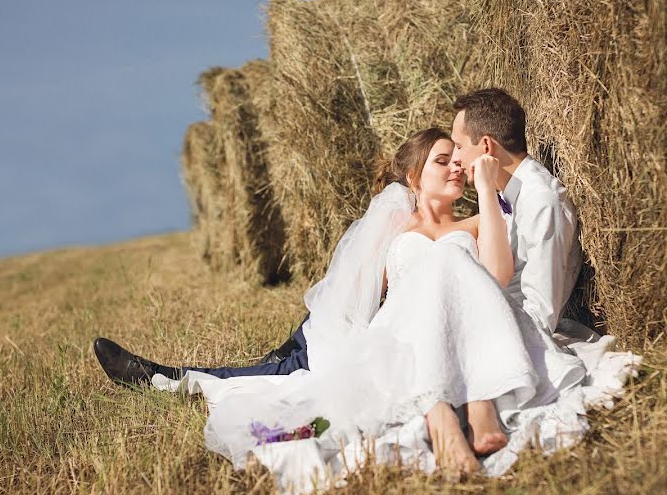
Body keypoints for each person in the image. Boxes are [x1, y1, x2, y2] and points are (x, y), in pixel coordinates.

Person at [93, 88, 582, 390]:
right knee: (298, 354)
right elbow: (355, 286)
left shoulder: (495, 215)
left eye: (458, 153)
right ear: (412, 180)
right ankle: (218, 368)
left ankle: (173, 379)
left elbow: (510, 283)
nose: (457, 161)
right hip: (366, 323)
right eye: (442, 158)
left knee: (290, 380)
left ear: (486, 148)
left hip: (415, 334)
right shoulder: (412, 223)